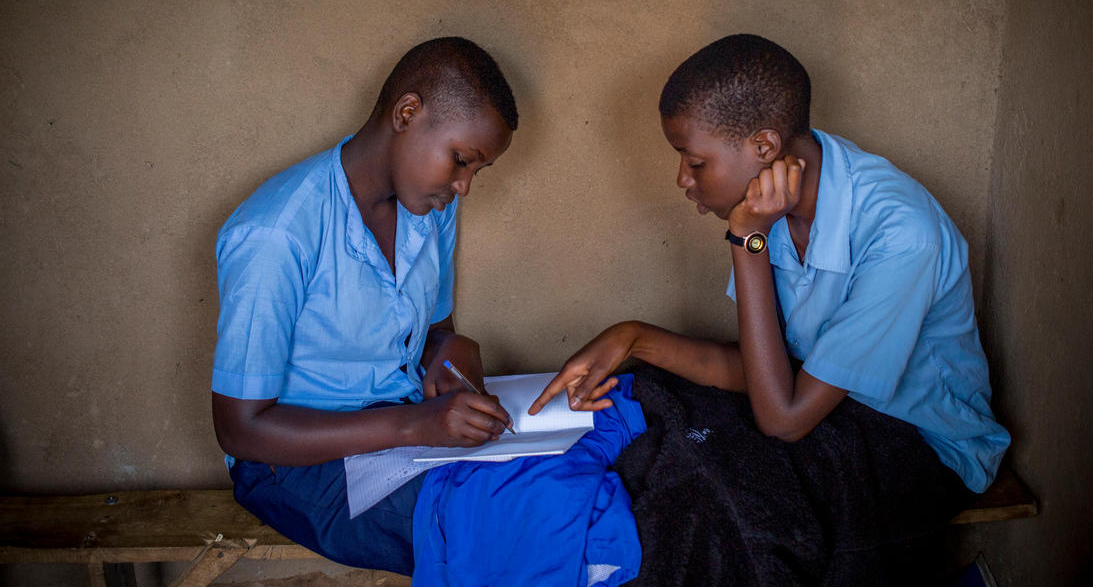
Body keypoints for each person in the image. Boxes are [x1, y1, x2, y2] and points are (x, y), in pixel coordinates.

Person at [531, 33, 1009, 499]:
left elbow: (783, 420)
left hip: (924, 442)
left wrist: (747, 240)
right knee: (653, 434)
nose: (682, 180)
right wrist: (632, 337)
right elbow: (770, 374)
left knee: (700, 496)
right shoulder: (774, 200)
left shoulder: (902, 236)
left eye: (694, 162)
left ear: (764, 147)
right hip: (818, 409)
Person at [211, 37, 518, 575]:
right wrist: (415, 427)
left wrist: (451, 348)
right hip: (296, 464)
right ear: (407, 113)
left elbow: (431, 332)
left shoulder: (430, 209)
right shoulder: (276, 235)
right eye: (461, 161)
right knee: (492, 526)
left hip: (399, 427)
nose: (465, 186)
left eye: (476, 171)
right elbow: (240, 430)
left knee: (552, 483)